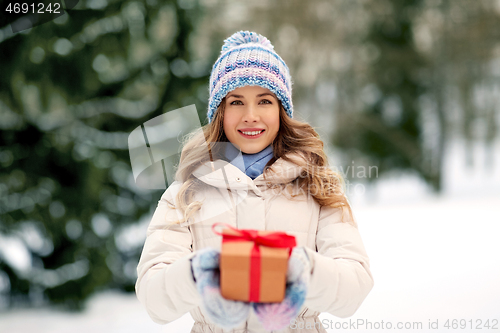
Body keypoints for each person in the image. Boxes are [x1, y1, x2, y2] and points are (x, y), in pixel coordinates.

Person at [135, 30, 374, 333]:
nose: (250, 115)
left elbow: (354, 288)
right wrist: (196, 273)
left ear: (281, 110)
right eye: (236, 102)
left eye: (264, 101)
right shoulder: (186, 193)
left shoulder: (317, 186)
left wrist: (303, 270)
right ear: (219, 112)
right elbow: (153, 299)